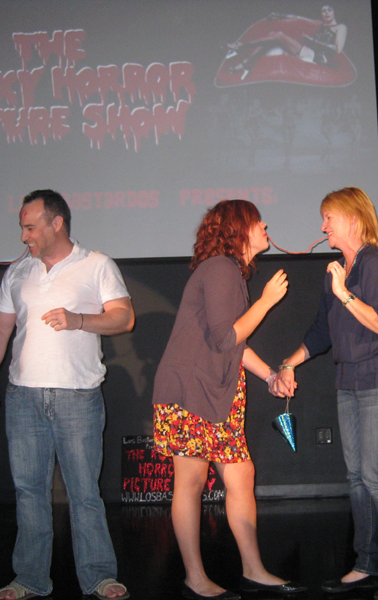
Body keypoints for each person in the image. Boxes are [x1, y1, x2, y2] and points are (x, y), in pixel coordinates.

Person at [0, 190, 134, 600]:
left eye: (30, 227)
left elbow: (124, 318)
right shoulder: (18, 271)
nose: (24, 236)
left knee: (84, 493)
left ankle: (98, 577)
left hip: (77, 396)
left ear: (56, 223)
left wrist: (78, 319)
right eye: (22, 228)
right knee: (29, 492)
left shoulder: (96, 264)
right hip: (23, 397)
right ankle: (29, 578)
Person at [152, 200, 304, 600]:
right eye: (257, 220)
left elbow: (233, 343)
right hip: (189, 389)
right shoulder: (220, 267)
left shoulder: (230, 272)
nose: (265, 224)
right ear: (239, 229)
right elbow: (226, 339)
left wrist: (270, 375)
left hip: (217, 390)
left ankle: (254, 570)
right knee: (191, 480)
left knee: (241, 474)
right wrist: (266, 301)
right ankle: (195, 578)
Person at [276, 187, 378, 600]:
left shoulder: (374, 263)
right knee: (357, 477)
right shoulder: (336, 271)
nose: (323, 227)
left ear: (353, 219)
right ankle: (365, 564)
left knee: (375, 475)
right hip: (349, 380)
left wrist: (344, 293)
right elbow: (322, 331)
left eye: (329, 218)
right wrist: (289, 363)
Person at [226, 4, 347, 80]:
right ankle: (247, 63)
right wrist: (281, 15)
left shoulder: (340, 27)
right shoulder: (320, 24)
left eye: (329, 10)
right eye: (324, 11)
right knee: (273, 36)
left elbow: (338, 49)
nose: (326, 13)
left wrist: (313, 40)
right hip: (309, 52)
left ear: (334, 11)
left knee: (279, 36)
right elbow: (299, 18)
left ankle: (241, 46)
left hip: (320, 58)